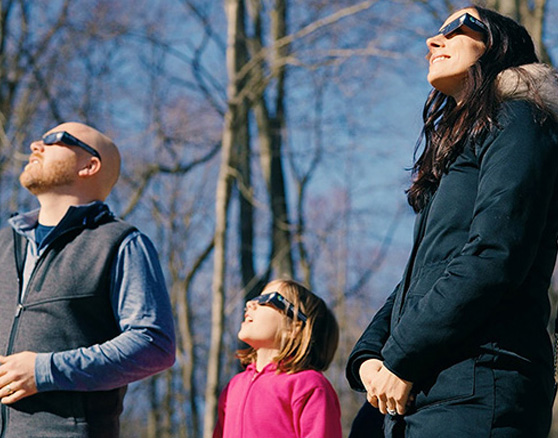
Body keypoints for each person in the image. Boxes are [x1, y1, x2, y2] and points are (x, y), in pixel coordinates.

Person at [346, 6, 558, 438]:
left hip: (478, 387)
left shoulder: (520, 119)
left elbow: (495, 254)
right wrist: (369, 354)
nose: (433, 40)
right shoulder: (463, 145)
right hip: (421, 387)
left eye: (458, 27)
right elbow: (421, 275)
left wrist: (401, 356)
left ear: (498, 46)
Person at [0, 122, 176, 437]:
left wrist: (44, 370)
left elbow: (153, 343)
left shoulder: (121, 243)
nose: (35, 146)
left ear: (89, 165)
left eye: (53, 140)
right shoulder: (3, 244)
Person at [214, 279, 342, 438]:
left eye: (266, 299)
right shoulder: (233, 387)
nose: (250, 304)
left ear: (294, 327)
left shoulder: (309, 386)